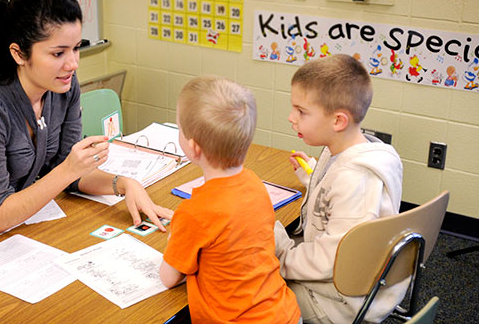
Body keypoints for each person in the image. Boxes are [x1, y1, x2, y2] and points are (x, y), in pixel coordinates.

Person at [0, 0, 172, 237]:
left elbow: (67, 170)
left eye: (76, 48)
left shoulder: (63, 88)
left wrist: (124, 185)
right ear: (19, 54)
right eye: (58, 53)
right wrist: (69, 169)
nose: (73, 63)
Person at [275, 54, 407, 324]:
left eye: (301, 111)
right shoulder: (349, 150)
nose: (291, 118)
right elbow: (339, 186)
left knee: (250, 284)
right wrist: (313, 174)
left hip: (339, 303)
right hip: (343, 281)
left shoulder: (355, 178)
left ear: (338, 121)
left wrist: (283, 255)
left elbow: (331, 259)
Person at [160, 76, 301, 323]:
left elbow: (168, 278)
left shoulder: (194, 212)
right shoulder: (255, 184)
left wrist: (176, 235)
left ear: (193, 147)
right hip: (284, 313)